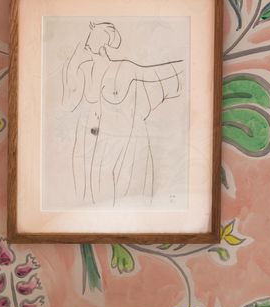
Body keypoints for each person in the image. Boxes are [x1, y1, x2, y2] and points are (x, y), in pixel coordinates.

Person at [60, 22, 184, 206]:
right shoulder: (84, 70)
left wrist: (193, 62)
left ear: (102, 46)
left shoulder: (125, 68)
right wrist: (71, 66)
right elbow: (68, 105)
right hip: (91, 146)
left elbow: (160, 73)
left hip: (123, 144)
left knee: (122, 197)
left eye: (89, 43)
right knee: (95, 200)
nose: (84, 46)